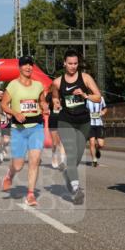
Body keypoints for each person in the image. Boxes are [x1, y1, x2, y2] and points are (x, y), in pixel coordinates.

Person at [50, 50, 102, 205]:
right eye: (70, 63)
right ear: (64, 63)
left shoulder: (85, 78)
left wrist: (85, 95)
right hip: (66, 121)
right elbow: (54, 96)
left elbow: (98, 97)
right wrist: (56, 102)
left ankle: (68, 174)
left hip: (83, 122)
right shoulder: (58, 82)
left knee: (77, 157)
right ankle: (76, 189)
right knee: (71, 153)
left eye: (75, 63)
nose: (73, 66)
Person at [0, 56, 49, 207]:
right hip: (19, 129)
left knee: (34, 161)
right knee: (19, 165)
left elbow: (41, 101)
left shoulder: (38, 85)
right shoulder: (13, 85)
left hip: (36, 127)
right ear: (19, 67)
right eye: (25, 65)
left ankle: (30, 194)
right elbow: (4, 104)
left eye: (30, 65)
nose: (28, 67)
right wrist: (15, 113)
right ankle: (10, 174)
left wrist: (45, 106)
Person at [87, 94, 107, 167]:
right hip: (90, 124)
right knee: (91, 142)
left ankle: (97, 149)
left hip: (99, 124)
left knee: (101, 144)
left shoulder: (101, 98)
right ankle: (94, 160)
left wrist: (103, 112)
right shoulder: (87, 99)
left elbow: (105, 108)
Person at [0, 88, 11, 160]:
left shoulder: (7, 103)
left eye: (1, 94)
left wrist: (10, 114)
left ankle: (4, 148)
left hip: (6, 123)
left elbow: (12, 111)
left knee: (6, 140)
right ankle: (0, 151)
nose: (0, 95)